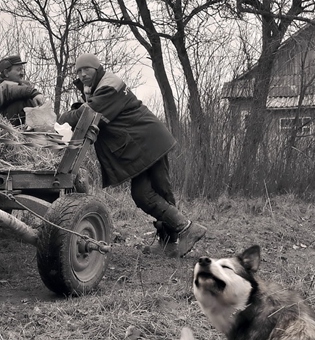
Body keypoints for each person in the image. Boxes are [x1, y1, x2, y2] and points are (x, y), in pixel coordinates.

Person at [58, 53, 206, 256]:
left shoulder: (108, 87)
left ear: (97, 68)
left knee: (145, 193)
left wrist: (61, 118)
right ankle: (171, 241)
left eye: (86, 69)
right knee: (158, 191)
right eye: (79, 71)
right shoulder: (97, 87)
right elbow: (88, 107)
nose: (82, 74)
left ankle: (185, 230)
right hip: (146, 140)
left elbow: (86, 114)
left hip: (147, 141)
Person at [0, 54, 46, 125]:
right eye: (18, 70)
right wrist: (33, 93)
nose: (22, 73)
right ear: (6, 73)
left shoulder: (25, 85)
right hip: (4, 125)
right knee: (19, 101)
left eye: (22, 69)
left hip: (28, 125)